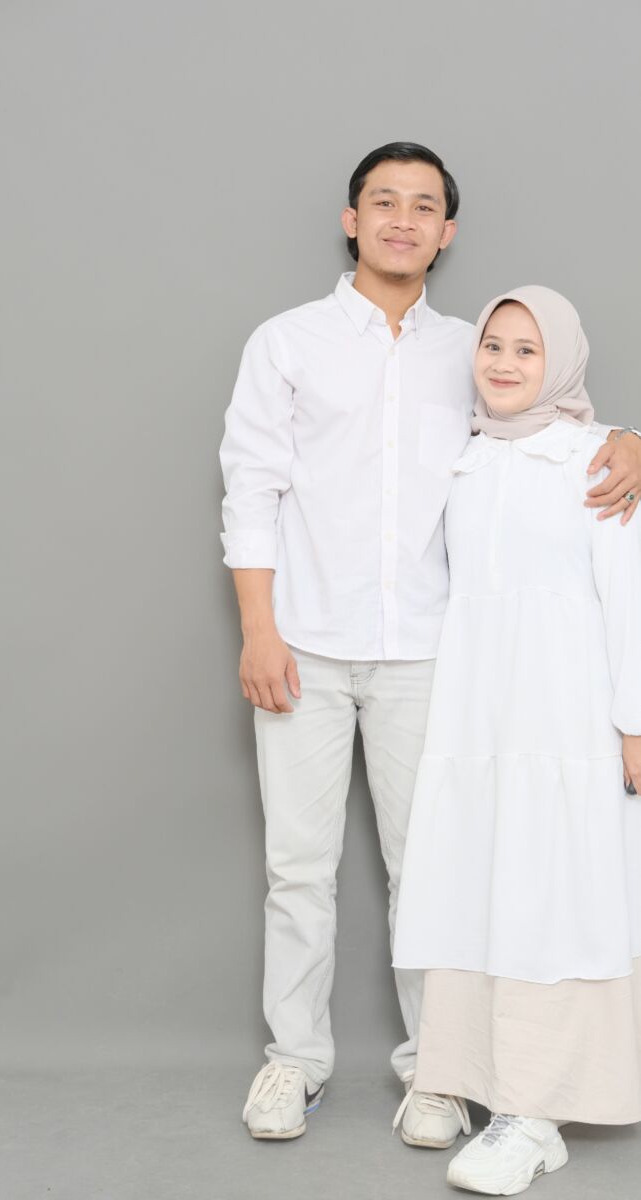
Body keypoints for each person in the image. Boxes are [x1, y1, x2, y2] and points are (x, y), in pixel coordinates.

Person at [219, 142, 641, 1144]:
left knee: (436, 867)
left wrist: (633, 438)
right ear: (352, 219)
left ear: (446, 232)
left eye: (423, 206)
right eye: (384, 201)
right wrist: (259, 631)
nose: (401, 220)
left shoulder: (469, 347)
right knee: (297, 867)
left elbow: (546, 408)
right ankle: (295, 1061)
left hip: (430, 656)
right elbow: (251, 488)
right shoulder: (286, 343)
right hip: (304, 644)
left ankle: (436, 1070)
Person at [392, 286, 641, 1194]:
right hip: (476, 721)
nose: (502, 363)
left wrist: (635, 721)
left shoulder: (596, 459)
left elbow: (632, 598)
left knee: (553, 900)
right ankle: (474, 1081)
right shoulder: (464, 459)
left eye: (526, 350)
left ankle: (536, 1114)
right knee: (480, 891)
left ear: (561, 362)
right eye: (492, 344)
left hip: (564, 722)